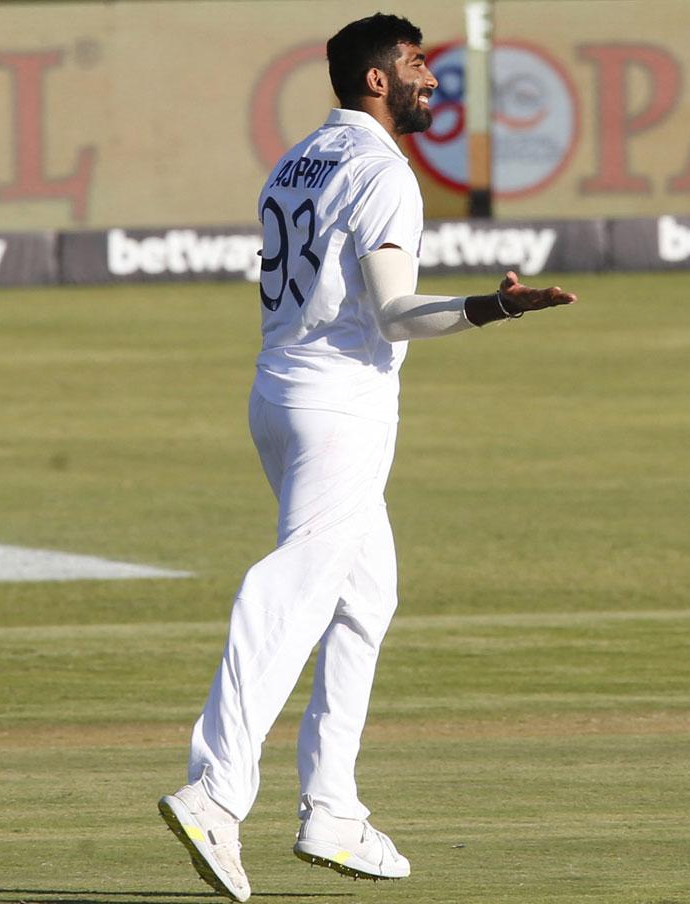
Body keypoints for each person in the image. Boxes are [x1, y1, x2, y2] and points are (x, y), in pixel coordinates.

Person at [158, 13, 576, 902]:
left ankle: (333, 810)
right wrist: (494, 310)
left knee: (366, 592)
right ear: (377, 79)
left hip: (280, 395)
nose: (434, 79)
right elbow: (393, 313)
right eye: (419, 64)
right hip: (337, 406)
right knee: (297, 584)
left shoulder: (301, 156)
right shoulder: (383, 170)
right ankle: (218, 792)